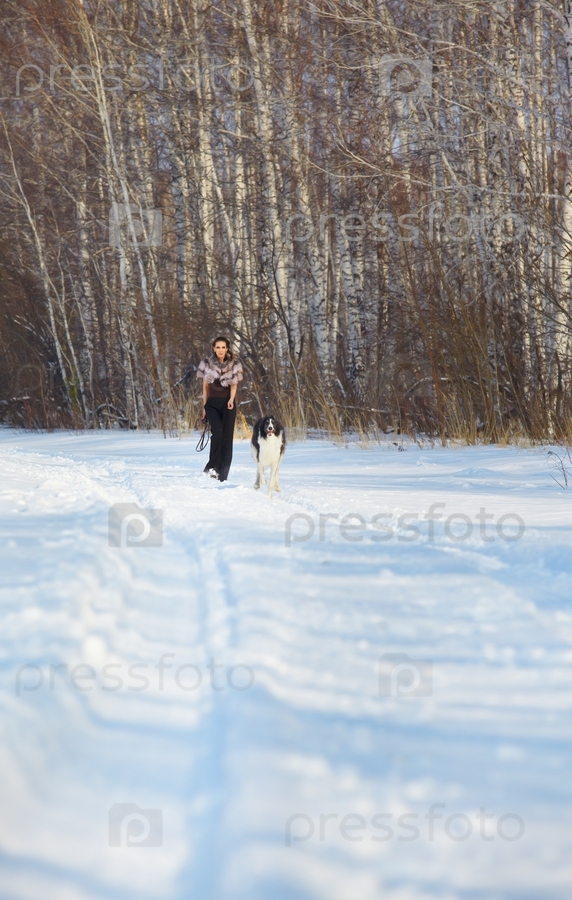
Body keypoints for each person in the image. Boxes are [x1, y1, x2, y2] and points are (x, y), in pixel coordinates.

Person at [197, 336, 243, 482]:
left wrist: (231, 399)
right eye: (218, 347)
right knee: (217, 433)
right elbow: (205, 387)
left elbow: (234, 384)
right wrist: (204, 407)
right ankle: (212, 468)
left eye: (223, 347)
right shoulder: (207, 364)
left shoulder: (234, 364)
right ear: (213, 348)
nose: (220, 350)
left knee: (226, 438)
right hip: (212, 404)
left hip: (228, 403)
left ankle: (222, 473)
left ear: (227, 348)